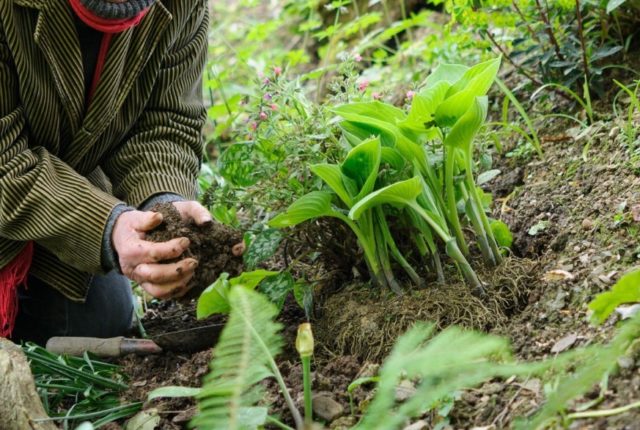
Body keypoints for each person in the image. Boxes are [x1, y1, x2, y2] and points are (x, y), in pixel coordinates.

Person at [0, 0, 212, 345]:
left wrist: (164, 205)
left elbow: (165, 123)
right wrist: (106, 225)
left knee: (102, 319)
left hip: (64, 187)